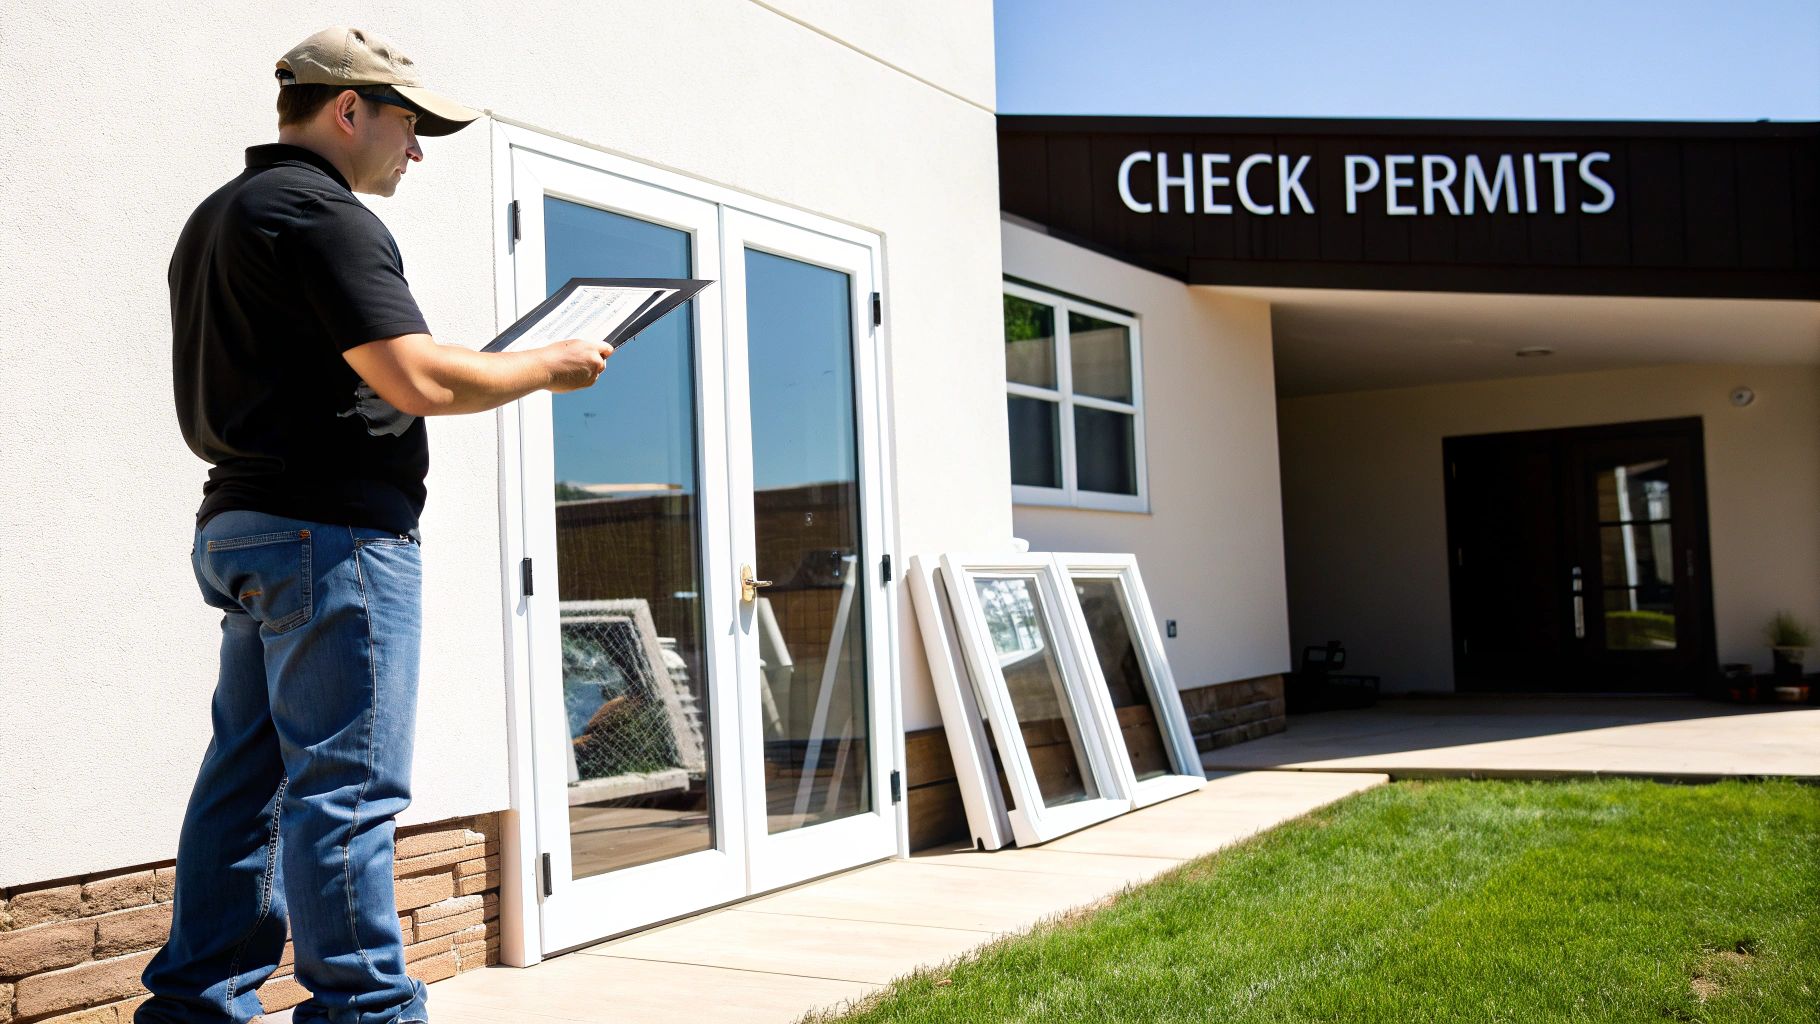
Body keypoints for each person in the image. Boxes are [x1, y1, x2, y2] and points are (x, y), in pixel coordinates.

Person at [140, 27, 610, 1024]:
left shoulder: (220, 216)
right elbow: (417, 375)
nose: (419, 148)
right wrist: (551, 364)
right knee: (345, 795)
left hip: (247, 527)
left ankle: (194, 1006)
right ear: (347, 110)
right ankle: (367, 1012)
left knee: (246, 784)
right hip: (335, 539)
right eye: (409, 124)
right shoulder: (323, 212)